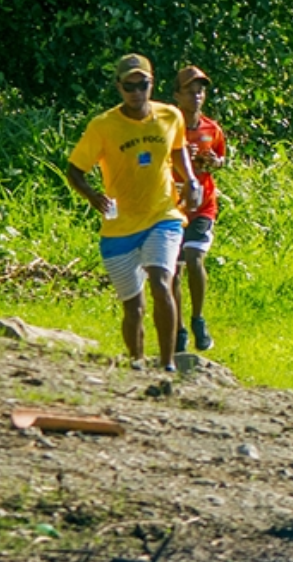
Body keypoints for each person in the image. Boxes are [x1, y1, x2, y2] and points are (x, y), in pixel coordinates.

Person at [65, 54, 201, 370]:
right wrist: (92, 196)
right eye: (130, 86)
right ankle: (137, 363)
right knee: (133, 307)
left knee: (160, 281)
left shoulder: (170, 116)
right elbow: (74, 170)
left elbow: (179, 149)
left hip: (163, 215)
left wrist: (191, 180)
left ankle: (167, 365)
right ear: (119, 87)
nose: (137, 92)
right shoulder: (103, 126)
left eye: (143, 85)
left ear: (151, 84)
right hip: (119, 226)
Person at [171, 66, 226, 352]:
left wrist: (212, 161)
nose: (196, 96)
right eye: (190, 92)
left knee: (194, 259)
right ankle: (179, 330)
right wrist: (178, 158)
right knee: (173, 270)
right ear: (176, 95)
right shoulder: (166, 126)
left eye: (200, 91)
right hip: (171, 206)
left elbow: (220, 159)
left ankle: (198, 319)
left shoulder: (211, 128)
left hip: (203, 205)